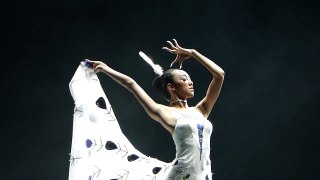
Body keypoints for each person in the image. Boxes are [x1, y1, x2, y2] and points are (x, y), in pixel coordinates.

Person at [86, 39, 225, 179]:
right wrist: (105, 68)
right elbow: (131, 84)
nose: (190, 82)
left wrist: (193, 53)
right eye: (184, 79)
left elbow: (219, 75)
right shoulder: (163, 111)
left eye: (189, 79)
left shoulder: (201, 110)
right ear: (171, 87)